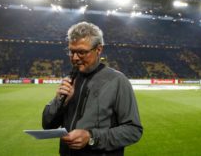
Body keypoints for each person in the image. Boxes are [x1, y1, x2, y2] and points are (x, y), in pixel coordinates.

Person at [42, 21, 143, 156]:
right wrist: (60, 101)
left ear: (99, 50)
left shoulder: (117, 81)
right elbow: (47, 124)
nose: (75, 58)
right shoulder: (70, 79)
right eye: (71, 52)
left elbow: (133, 130)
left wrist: (91, 138)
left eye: (82, 52)